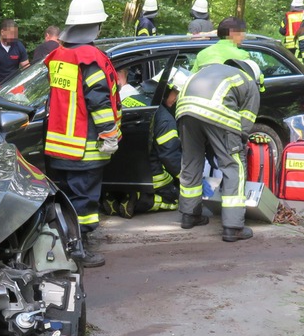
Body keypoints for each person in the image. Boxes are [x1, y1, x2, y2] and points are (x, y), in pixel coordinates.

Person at [44, 0, 122, 268]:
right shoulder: (89, 57)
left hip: (59, 144)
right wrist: (108, 133)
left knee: (66, 198)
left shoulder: (60, 56)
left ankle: (66, 244)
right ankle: (78, 250)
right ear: (95, 26)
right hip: (84, 146)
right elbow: (98, 100)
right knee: (84, 200)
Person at [175, 58, 261, 241]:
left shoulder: (213, 69)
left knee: (191, 161)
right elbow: (244, 125)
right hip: (216, 111)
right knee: (233, 165)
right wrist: (235, 147)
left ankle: (189, 215)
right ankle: (233, 226)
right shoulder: (249, 82)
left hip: (184, 110)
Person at [106, 69, 187, 217]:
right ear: (167, 89)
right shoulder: (163, 117)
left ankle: (115, 198)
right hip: (149, 176)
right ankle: (138, 200)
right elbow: (169, 155)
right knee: (173, 199)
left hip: (118, 175)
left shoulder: (129, 99)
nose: (177, 99)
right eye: (177, 93)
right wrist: (186, 178)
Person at [0, 20, 30, 91]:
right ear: (2, 32)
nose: (13, 37)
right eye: (11, 34)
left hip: (14, 86)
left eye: (15, 34)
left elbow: (27, 67)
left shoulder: (18, 46)